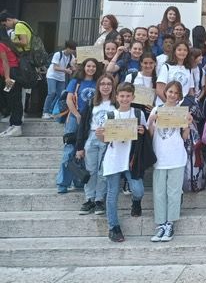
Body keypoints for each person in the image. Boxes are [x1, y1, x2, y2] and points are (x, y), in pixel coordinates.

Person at [96, 83, 148, 243]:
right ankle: (114, 227)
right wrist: (99, 135)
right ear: (117, 97)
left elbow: (147, 133)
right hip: (113, 158)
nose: (125, 99)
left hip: (131, 159)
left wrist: (143, 131)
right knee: (112, 194)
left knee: (138, 190)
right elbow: (105, 139)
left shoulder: (138, 113)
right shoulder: (110, 115)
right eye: (122, 96)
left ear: (133, 97)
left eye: (128, 96)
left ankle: (136, 202)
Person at [147, 81, 192, 242]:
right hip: (160, 156)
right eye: (170, 91)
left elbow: (185, 137)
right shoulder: (156, 109)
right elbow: (150, 135)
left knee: (174, 191)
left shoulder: (181, 112)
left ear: (179, 96)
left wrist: (188, 125)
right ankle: (160, 224)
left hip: (176, 156)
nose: (172, 95)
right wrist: (151, 121)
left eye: (176, 93)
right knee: (159, 192)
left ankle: (170, 223)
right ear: (165, 92)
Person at [75, 74, 117, 216]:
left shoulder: (116, 104)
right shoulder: (91, 103)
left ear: (113, 87)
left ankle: (99, 200)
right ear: (98, 86)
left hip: (108, 138)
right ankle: (89, 199)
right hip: (92, 137)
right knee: (90, 170)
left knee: (103, 171)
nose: (106, 87)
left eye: (109, 84)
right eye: (103, 84)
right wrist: (79, 147)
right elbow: (82, 125)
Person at [56, 58, 99, 193]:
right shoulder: (76, 81)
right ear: (84, 67)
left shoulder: (98, 82)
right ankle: (63, 183)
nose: (91, 68)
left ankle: (79, 179)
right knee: (69, 150)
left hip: (90, 120)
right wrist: (77, 115)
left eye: (93, 66)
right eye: (88, 66)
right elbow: (69, 100)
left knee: (84, 150)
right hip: (75, 118)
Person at [42, 40, 77, 119]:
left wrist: (75, 66)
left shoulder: (71, 56)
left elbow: (73, 67)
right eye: (72, 49)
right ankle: (45, 112)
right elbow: (55, 67)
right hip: (52, 76)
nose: (73, 51)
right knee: (52, 93)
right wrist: (66, 70)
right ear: (67, 48)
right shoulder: (58, 54)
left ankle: (51, 111)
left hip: (61, 77)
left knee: (60, 94)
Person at [0, 35, 22, 137]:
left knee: (14, 99)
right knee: (11, 99)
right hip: (12, 74)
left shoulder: (1, 45)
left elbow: (5, 61)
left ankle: (16, 125)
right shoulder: (6, 44)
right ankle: (13, 125)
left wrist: (7, 77)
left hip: (11, 75)